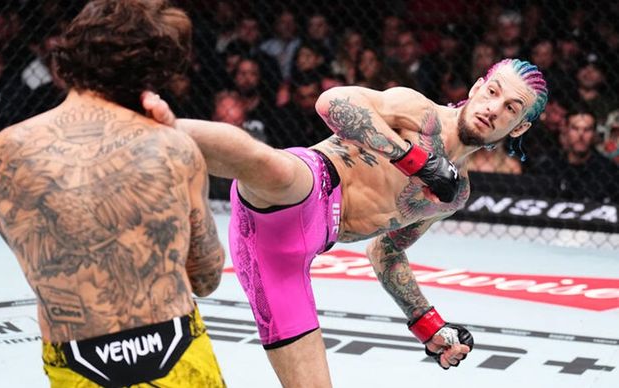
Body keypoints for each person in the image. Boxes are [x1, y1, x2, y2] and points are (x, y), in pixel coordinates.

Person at [143, 57, 548, 387]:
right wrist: (417, 161)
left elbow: (387, 253)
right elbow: (331, 103)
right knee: (269, 165)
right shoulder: (419, 112)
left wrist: (427, 324)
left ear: (522, 126)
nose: (494, 108)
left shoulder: (455, 194)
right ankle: (147, 129)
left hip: (283, 262)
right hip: (310, 185)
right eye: (493, 92)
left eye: (511, 108)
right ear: (477, 87)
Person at [0, 1, 226, 387]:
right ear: (153, 73)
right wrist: (171, 136)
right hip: (176, 350)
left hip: (76, 359)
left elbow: (35, 255)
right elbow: (205, 277)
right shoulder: (172, 148)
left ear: (71, 55)